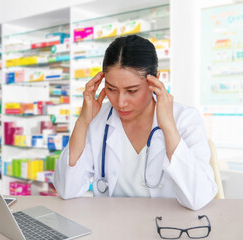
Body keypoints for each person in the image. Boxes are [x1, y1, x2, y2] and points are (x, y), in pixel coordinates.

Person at [53, 35, 217, 211]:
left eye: (132, 91)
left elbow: (199, 198)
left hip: (168, 230)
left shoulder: (185, 119)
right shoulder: (98, 118)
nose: (120, 102)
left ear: (155, 80)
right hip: (111, 227)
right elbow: (66, 189)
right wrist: (83, 121)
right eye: (111, 89)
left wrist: (168, 127)